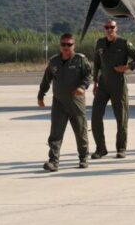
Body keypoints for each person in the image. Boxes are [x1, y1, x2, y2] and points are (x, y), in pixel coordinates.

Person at [37, 33, 93, 171]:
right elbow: (46, 79)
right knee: (55, 133)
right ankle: (53, 161)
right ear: (60, 45)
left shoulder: (80, 60)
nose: (66, 47)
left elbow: (89, 75)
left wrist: (83, 87)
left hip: (76, 102)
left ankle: (83, 157)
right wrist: (41, 95)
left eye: (69, 44)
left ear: (74, 45)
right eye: (64, 44)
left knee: (80, 132)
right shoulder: (54, 61)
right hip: (59, 103)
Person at [91, 19, 135, 159]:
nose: (109, 29)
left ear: (116, 28)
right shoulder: (100, 43)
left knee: (121, 118)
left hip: (118, 84)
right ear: (104, 28)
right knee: (95, 116)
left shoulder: (124, 43)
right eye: (107, 27)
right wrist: (95, 81)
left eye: (112, 27)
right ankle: (100, 149)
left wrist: (126, 67)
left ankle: (121, 148)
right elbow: (96, 63)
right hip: (103, 84)